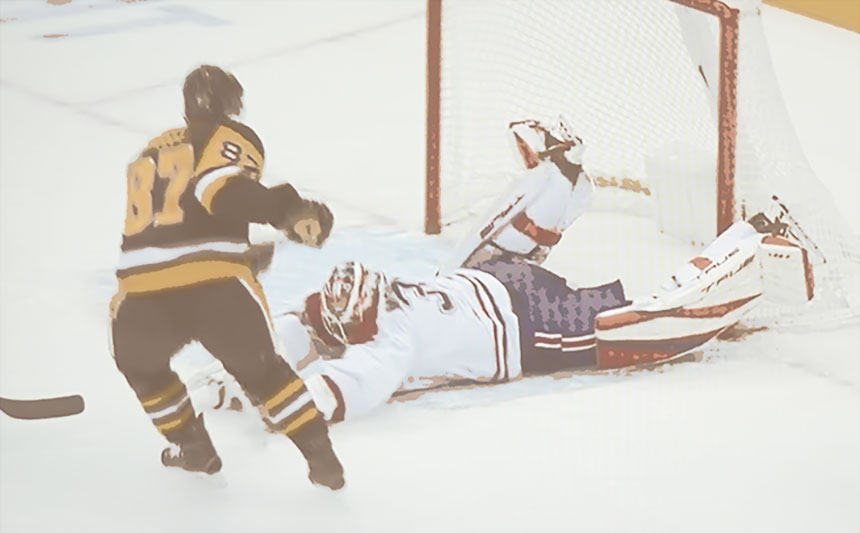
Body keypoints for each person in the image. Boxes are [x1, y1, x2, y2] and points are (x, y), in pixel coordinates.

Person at [277, 118, 813, 423]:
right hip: (488, 277)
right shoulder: (377, 293)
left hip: (530, 323)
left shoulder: (387, 345)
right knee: (479, 249)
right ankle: (558, 175)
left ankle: (753, 243)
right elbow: (299, 320)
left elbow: (346, 386)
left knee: (637, 325)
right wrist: (254, 366)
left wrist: (285, 397)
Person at [110, 65, 344, 489]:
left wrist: (241, 255)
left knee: (142, 368)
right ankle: (323, 462)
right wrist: (288, 209)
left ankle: (193, 448)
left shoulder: (145, 154)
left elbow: (165, 235)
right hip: (215, 290)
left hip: (140, 298)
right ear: (229, 106)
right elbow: (216, 191)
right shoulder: (228, 137)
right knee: (266, 375)